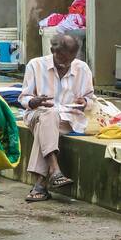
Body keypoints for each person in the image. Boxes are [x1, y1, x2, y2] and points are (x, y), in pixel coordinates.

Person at [20, 32, 94, 203]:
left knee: (46, 125)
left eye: (69, 60)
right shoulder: (35, 65)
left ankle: (40, 184)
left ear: (75, 55)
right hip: (37, 114)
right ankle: (54, 169)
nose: (65, 64)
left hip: (68, 120)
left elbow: (91, 99)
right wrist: (33, 101)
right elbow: (23, 98)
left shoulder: (82, 69)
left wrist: (85, 102)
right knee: (49, 114)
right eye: (61, 58)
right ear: (53, 51)